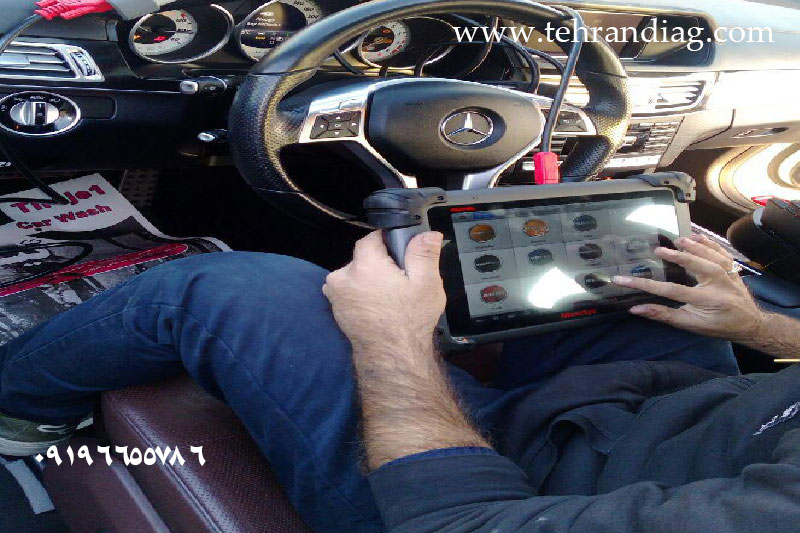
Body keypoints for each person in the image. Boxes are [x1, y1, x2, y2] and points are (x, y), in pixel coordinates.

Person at [0, 231, 798, 532]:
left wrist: (392, 338)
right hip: (671, 417)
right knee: (612, 258)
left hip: (510, 495)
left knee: (234, 288)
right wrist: (759, 327)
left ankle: (19, 411)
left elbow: (461, 525)